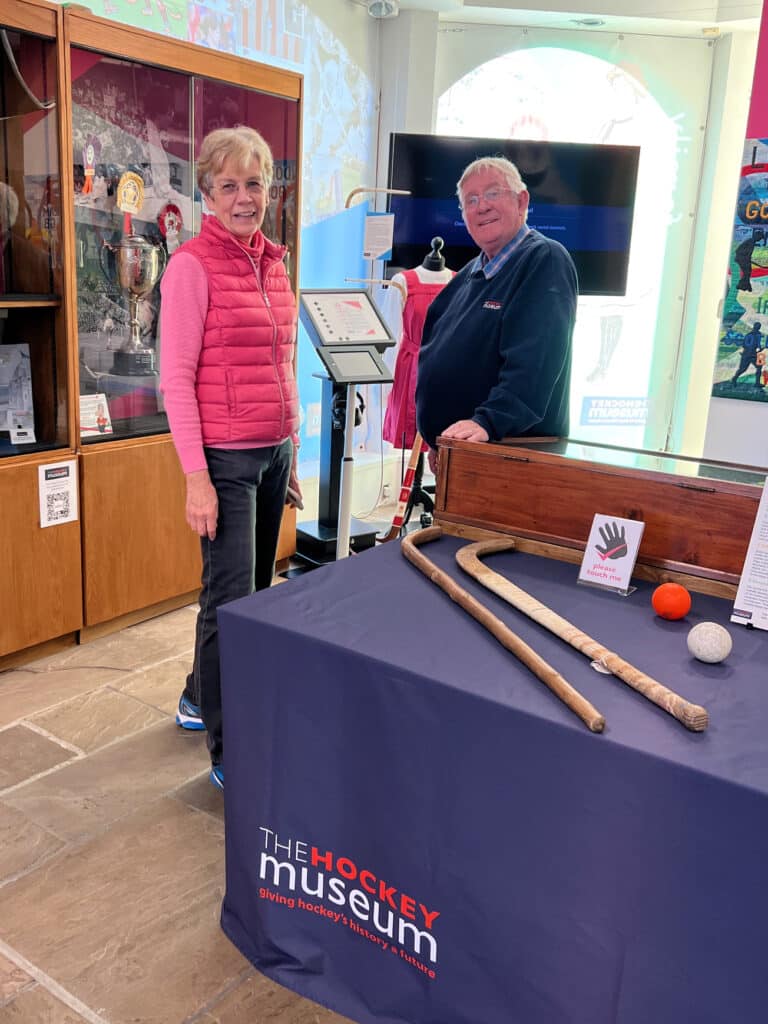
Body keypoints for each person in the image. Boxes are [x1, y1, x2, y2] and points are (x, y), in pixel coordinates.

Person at [159, 126, 302, 791]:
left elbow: (283, 362)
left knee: (246, 592)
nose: (244, 198)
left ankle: (197, 696)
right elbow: (175, 381)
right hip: (224, 461)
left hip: (271, 454)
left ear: (268, 189)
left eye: (254, 184)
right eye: (229, 186)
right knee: (234, 604)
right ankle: (229, 751)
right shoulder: (191, 266)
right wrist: (197, 479)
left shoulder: (274, 263)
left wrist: (291, 448)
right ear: (208, 193)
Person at [415, 156, 577, 469]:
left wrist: (487, 423)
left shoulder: (544, 260)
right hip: (465, 453)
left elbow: (535, 365)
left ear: (522, 201)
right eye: (470, 200)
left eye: (492, 193)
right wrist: (439, 437)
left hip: (510, 458)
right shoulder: (466, 276)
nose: (482, 206)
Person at [730, 321, 764, 388]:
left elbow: (758, 343)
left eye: (758, 327)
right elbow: (745, 344)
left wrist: (760, 348)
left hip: (755, 354)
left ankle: (757, 383)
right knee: (743, 369)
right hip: (747, 354)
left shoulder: (759, 334)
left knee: (759, 367)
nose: (758, 328)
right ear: (754, 327)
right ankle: (734, 379)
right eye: (757, 327)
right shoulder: (749, 335)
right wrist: (752, 348)